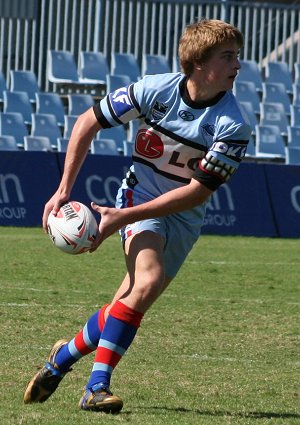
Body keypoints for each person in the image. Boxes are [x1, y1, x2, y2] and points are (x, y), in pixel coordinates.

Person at [24, 19, 251, 413]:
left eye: (237, 55)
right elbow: (87, 122)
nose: (237, 64)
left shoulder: (233, 125)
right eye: (227, 56)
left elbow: (197, 191)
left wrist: (122, 217)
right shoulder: (153, 90)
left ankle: (59, 360)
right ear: (198, 62)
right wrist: (63, 190)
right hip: (138, 196)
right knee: (147, 281)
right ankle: (96, 388)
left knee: (128, 302)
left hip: (183, 215)